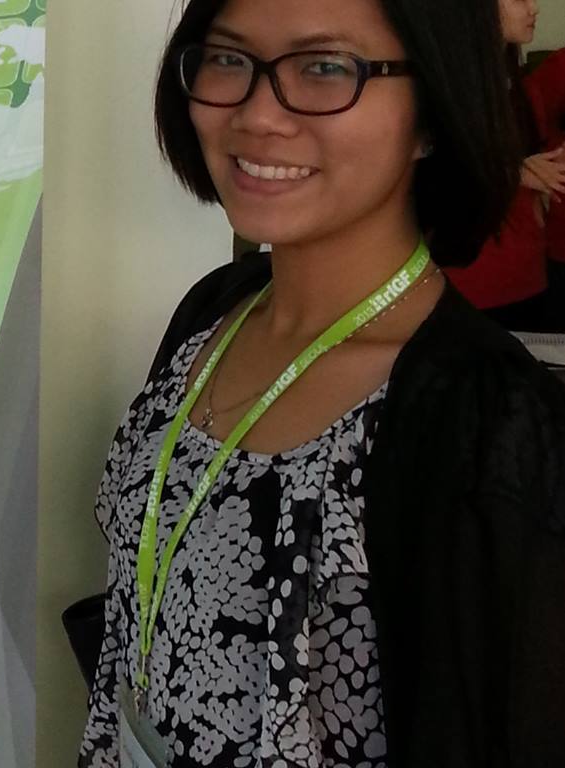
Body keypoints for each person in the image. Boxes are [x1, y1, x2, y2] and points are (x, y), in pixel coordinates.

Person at [75, 0, 565, 765]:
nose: (256, 114)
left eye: (325, 68)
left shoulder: (485, 418)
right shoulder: (214, 312)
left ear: (433, 113)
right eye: (227, 59)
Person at [443, 0, 565, 331]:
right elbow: (438, 172)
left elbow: (540, 155)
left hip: (529, 268)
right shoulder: (449, 86)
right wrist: (513, 172)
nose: (534, 8)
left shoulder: (519, 85)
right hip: (474, 275)